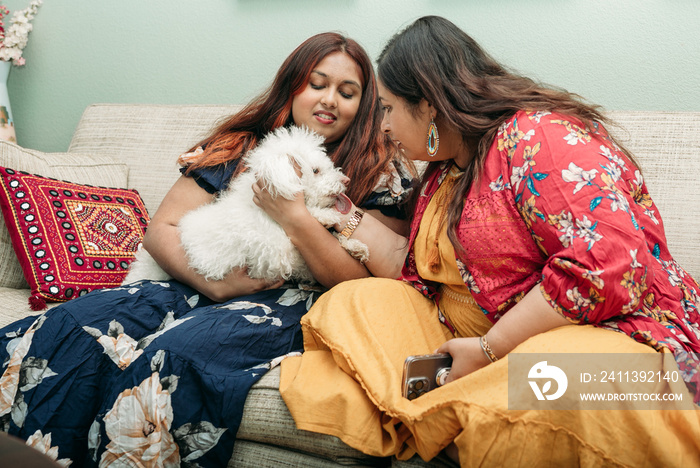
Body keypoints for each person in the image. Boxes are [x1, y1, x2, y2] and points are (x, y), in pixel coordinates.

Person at [279, 16, 700, 467]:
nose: (382, 125)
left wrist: (488, 350)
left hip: (608, 337)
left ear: (429, 106)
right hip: (472, 342)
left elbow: (607, 264)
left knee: (548, 370)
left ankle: (460, 410)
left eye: (387, 108)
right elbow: (410, 264)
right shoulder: (445, 169)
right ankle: (463, 407)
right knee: (358, 301)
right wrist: (329, 206)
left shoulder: (539, 137)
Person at [0, 33, 414, 467]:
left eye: (347, 92)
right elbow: (161, 230)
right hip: (196, 279)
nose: (330, 99)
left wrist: (295, 217)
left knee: (173, 357)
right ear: (292, 85)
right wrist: (213, 284)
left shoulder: (380, 169)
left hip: (292, 299)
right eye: (317, 83)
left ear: (365, 105)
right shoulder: (239, 145)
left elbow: (360, 282)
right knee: (68, 327)